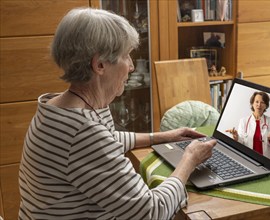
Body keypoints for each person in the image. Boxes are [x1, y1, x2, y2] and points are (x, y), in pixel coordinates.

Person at [18, 8, 217, 219]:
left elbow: (108, 140)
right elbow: (150, 213)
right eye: (126, 56)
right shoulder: (82, 132)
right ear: (100, 64)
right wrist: (189, 160)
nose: (131, 66)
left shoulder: (58, 107)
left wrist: (165, 136)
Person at [226, 91, 270, 160]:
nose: (259, 105)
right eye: (256, 102)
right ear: (252, 104)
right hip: (249, 159)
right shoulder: (243, 121)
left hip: (266, 159)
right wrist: (236, 137)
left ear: (266, 105)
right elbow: (241, 141)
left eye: (262, 102)